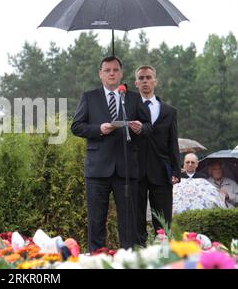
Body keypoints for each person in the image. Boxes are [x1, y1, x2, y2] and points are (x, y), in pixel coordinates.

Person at [71, 56, 151, 252]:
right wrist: (99, 128)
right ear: (100, 74)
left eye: (115, 70)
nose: (112, 73)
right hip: (98, 169)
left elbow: (149, 127)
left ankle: (128, 259)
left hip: (126, 168)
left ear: (121, 74)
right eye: (107, 70)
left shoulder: (132, 98)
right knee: (96, 221)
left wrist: (140, 128)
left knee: (128, 222)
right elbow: (77, 126)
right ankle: (97, 260)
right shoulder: (89, 97)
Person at [134, 65, 181, 246]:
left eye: (148, 77)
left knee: (162, 219)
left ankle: (163, 256)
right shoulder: (130, 108)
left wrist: (176, 170)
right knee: (136, 218)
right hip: (135, 170)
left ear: (155, 81)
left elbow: (172, 142)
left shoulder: (169, 111)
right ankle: (138, 255)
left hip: (161, 171)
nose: (145, 81)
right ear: (136, 83)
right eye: (141, 78)